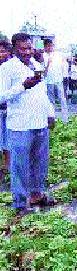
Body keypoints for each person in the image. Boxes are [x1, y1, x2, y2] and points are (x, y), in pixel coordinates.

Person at [0, 33, 55, 214]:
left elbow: (42, 93)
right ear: (14, 49)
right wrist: (23, 86)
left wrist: (50, 114)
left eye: (29, 48)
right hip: (20, 125)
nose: (27, 52)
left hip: (39, 122)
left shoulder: (37, 66)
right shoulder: (7, 68)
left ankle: (36, 195)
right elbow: (1, 96)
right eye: (22, 49)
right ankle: (20, 204)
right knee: (20, 166)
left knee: (39, 163)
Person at [43, 39, 69, 123]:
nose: (50, 47)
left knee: (62, 99)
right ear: (45, 47)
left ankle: (65, 120)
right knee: (51, 101)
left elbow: (63, 66)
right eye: (48, 46)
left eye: (51, 46)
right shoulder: (42, 56)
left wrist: (65, 77)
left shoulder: (58, 55)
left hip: (58, 80)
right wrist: (48, 63)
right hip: (48, 81)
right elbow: (43, 71)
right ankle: (52, 119)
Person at [0, 40, 12, 174]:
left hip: (9, 108)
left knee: (7, 138)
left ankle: (8, 165)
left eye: (3, 51)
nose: (0, 54)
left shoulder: (11, 68)